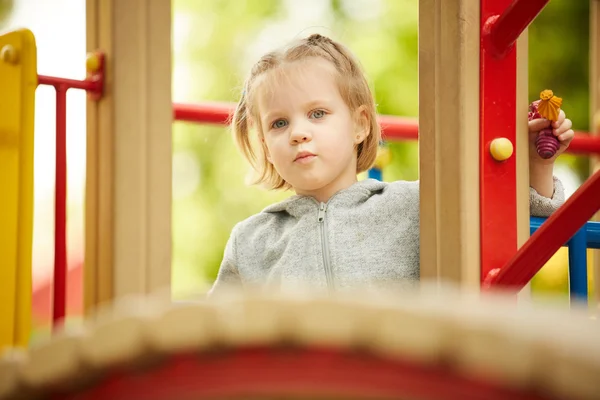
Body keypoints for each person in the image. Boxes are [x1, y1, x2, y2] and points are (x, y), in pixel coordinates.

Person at [208, 33, 574, 296]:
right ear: (266, 147)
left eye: (317, 113)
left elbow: (514, 219)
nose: (298, 133)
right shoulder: (252, 240)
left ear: (360, 124)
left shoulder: (414, 205)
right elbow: (216, 340)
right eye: (279, 123)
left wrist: (538, 164)